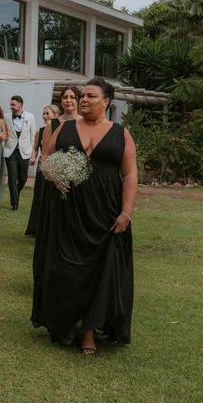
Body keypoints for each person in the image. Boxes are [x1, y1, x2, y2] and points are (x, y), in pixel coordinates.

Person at [32, 77, 137, 355]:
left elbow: (130, 174)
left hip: (104, 212)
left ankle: (88, 330)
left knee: (99, 271)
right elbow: (46, 161)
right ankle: (67, 323)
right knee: (65, 268)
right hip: (68, 210)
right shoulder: (65, 129)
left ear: (106, 102)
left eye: (91, 96)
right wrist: (55, 177)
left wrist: (126, 212)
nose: (84, 100)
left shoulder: (120, 133)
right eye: (83, 96)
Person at [24, 104, 60, 235]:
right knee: (40, 196)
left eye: (47, 113)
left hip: (57, 167)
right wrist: (33, 158)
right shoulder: (39, 131)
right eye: (43, 113)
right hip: (42, 166)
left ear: (56, 115)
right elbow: (35, 148)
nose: (44, 116)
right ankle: (37, 227)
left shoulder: (61, 130)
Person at [3, 95, 36, 210]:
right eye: (10, 104)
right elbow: (4, 133)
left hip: (25, 151)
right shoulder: (6, 117)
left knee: (23, 178)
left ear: (20, 105)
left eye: (13, 104)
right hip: (10, 151)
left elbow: (33, 137)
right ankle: (14, 203)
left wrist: (33, 154)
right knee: (12, 177)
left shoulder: (30, 117)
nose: (11, 106)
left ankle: (15, 192)